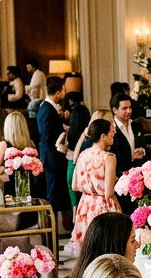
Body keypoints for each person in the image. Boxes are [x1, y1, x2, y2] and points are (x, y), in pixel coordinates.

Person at [70, 118, 121, 255]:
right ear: (103, 136)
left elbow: (74, 185)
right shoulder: (109, 157)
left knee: (88, 250)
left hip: (85, 204)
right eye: (111, 133)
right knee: (106, 249)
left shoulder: (83, 154)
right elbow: (108, 192)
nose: (113, 135)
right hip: (103, 206)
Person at [37, 76, 72, 229]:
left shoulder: (48, 107)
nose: (65, 93)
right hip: (52, 158)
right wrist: (63, 135)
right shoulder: (47, 109)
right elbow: (47, 136)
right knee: (53, 195)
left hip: (53, 158)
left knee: (57, 194)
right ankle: (51, 231)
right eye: (63, 90)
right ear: (57, 93)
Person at [63, 102, 93, 208]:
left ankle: (74, 219)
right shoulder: (89, 135)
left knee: (74, 200)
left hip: (71, 165)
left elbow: (66, 152)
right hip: (85, 167)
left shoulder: (69, 133)